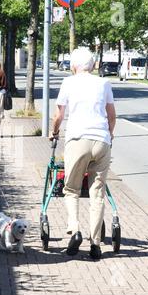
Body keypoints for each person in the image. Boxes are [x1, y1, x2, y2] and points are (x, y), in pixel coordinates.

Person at [50, 48, 116, 260]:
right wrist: (109, 135)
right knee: (97, 193)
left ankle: (75, 229)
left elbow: (59, 115)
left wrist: (54, 132)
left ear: (73, 65)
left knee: (72, 188)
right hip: (102, 141)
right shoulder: (104, 83)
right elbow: (111, 115)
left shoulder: (68, 83)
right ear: (93, 64)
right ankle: (95, 244)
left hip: (78, 139)